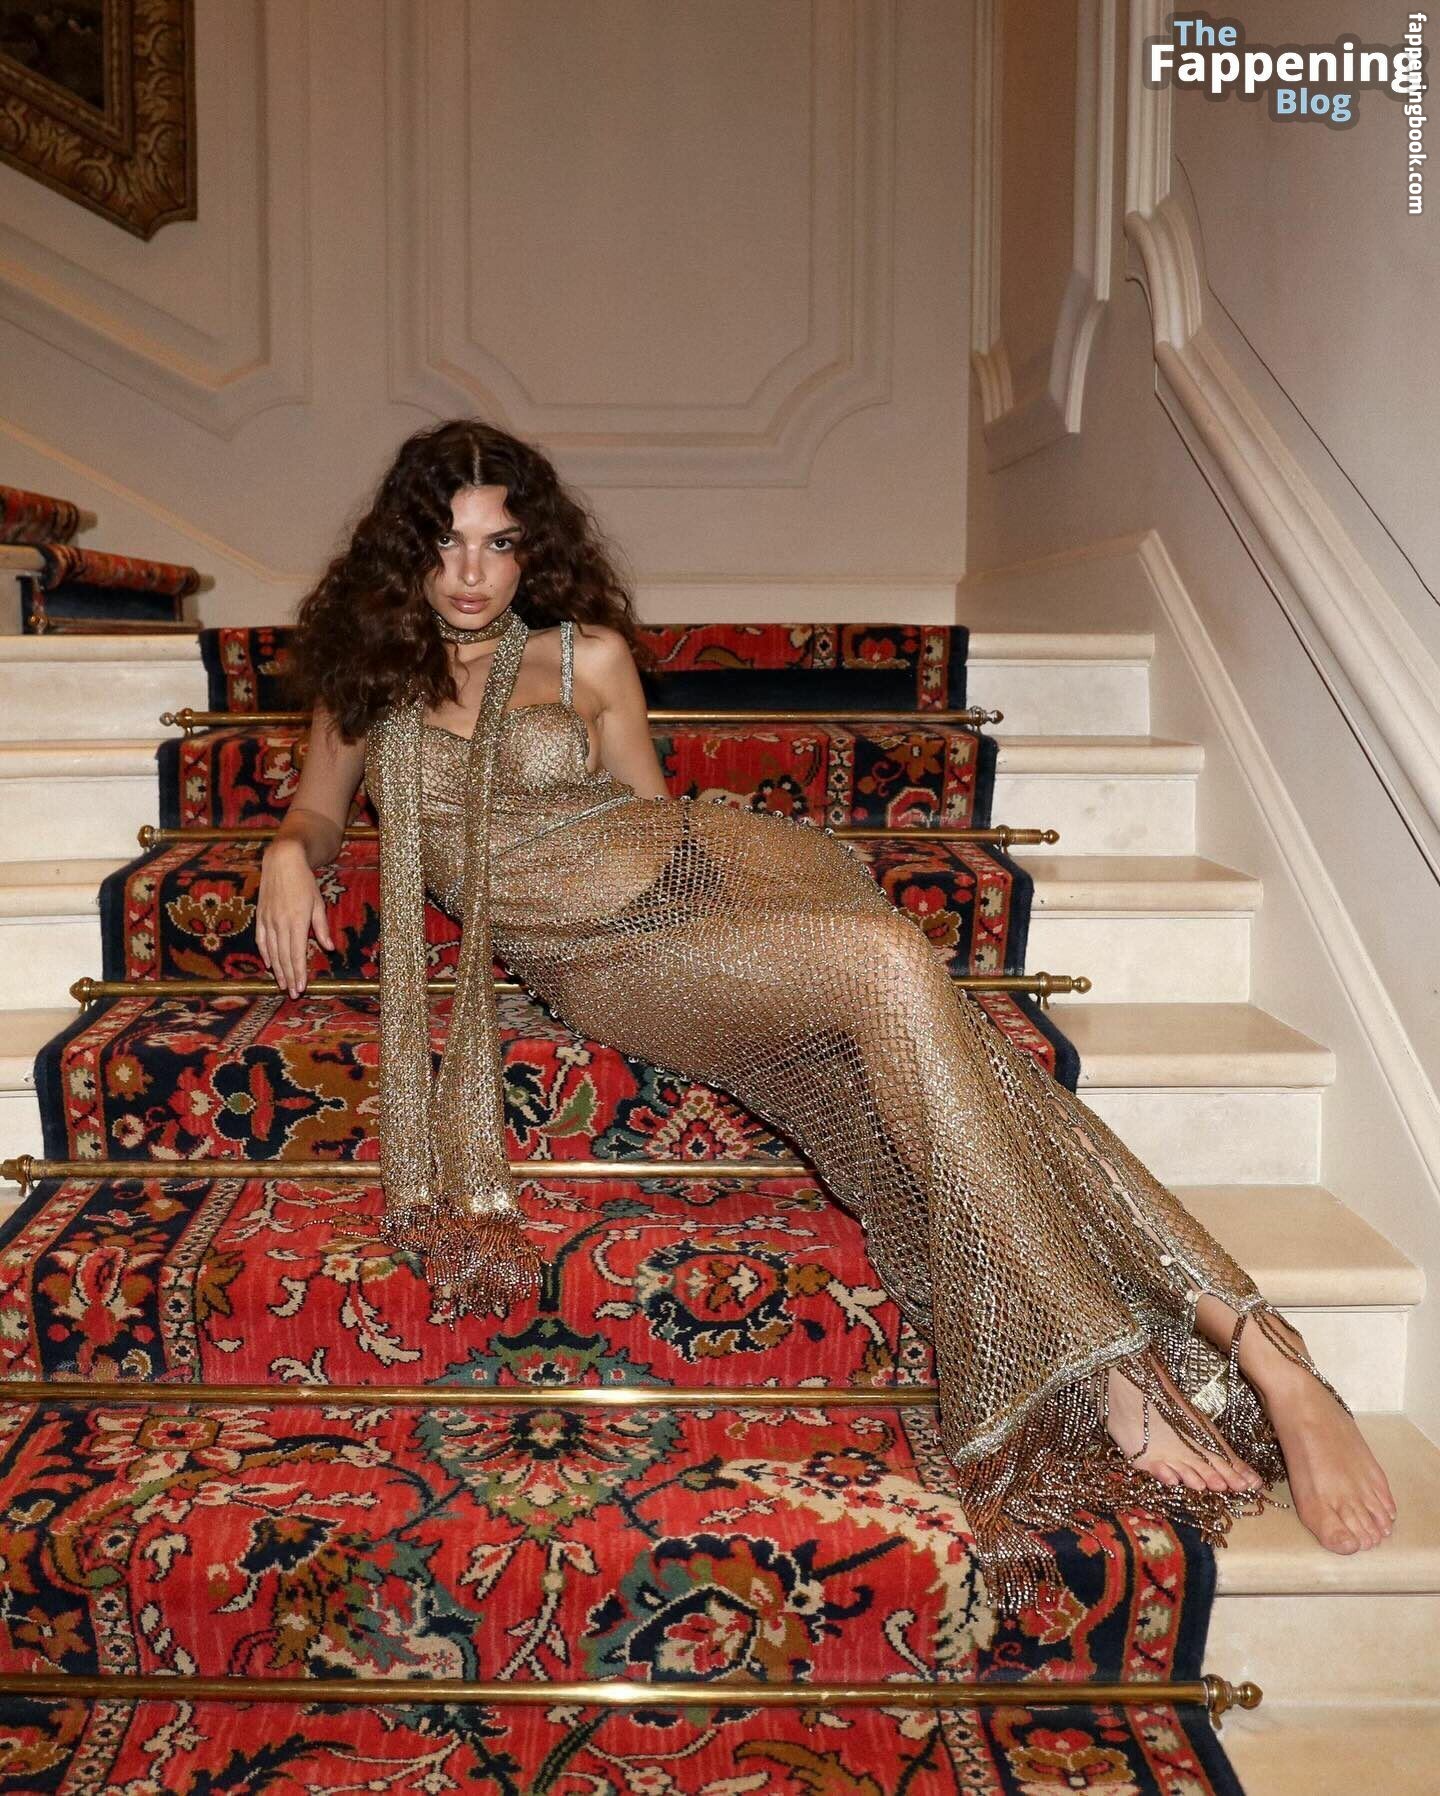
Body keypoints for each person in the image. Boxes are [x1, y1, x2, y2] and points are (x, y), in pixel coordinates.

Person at [257, 418, 1396, 1607]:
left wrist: (734, 919)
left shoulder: (585, 655)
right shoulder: (366, 683)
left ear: (531, 550)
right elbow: (322, 811)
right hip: (603, 960)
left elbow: (647, 810)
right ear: (405, 547)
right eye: (446, 542)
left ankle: (1209, 1367)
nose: (472, 571)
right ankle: (1233, 1348)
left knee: (918, 1007)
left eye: (500, 543)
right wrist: (294, 849)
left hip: (702, 882)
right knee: (903, 982)